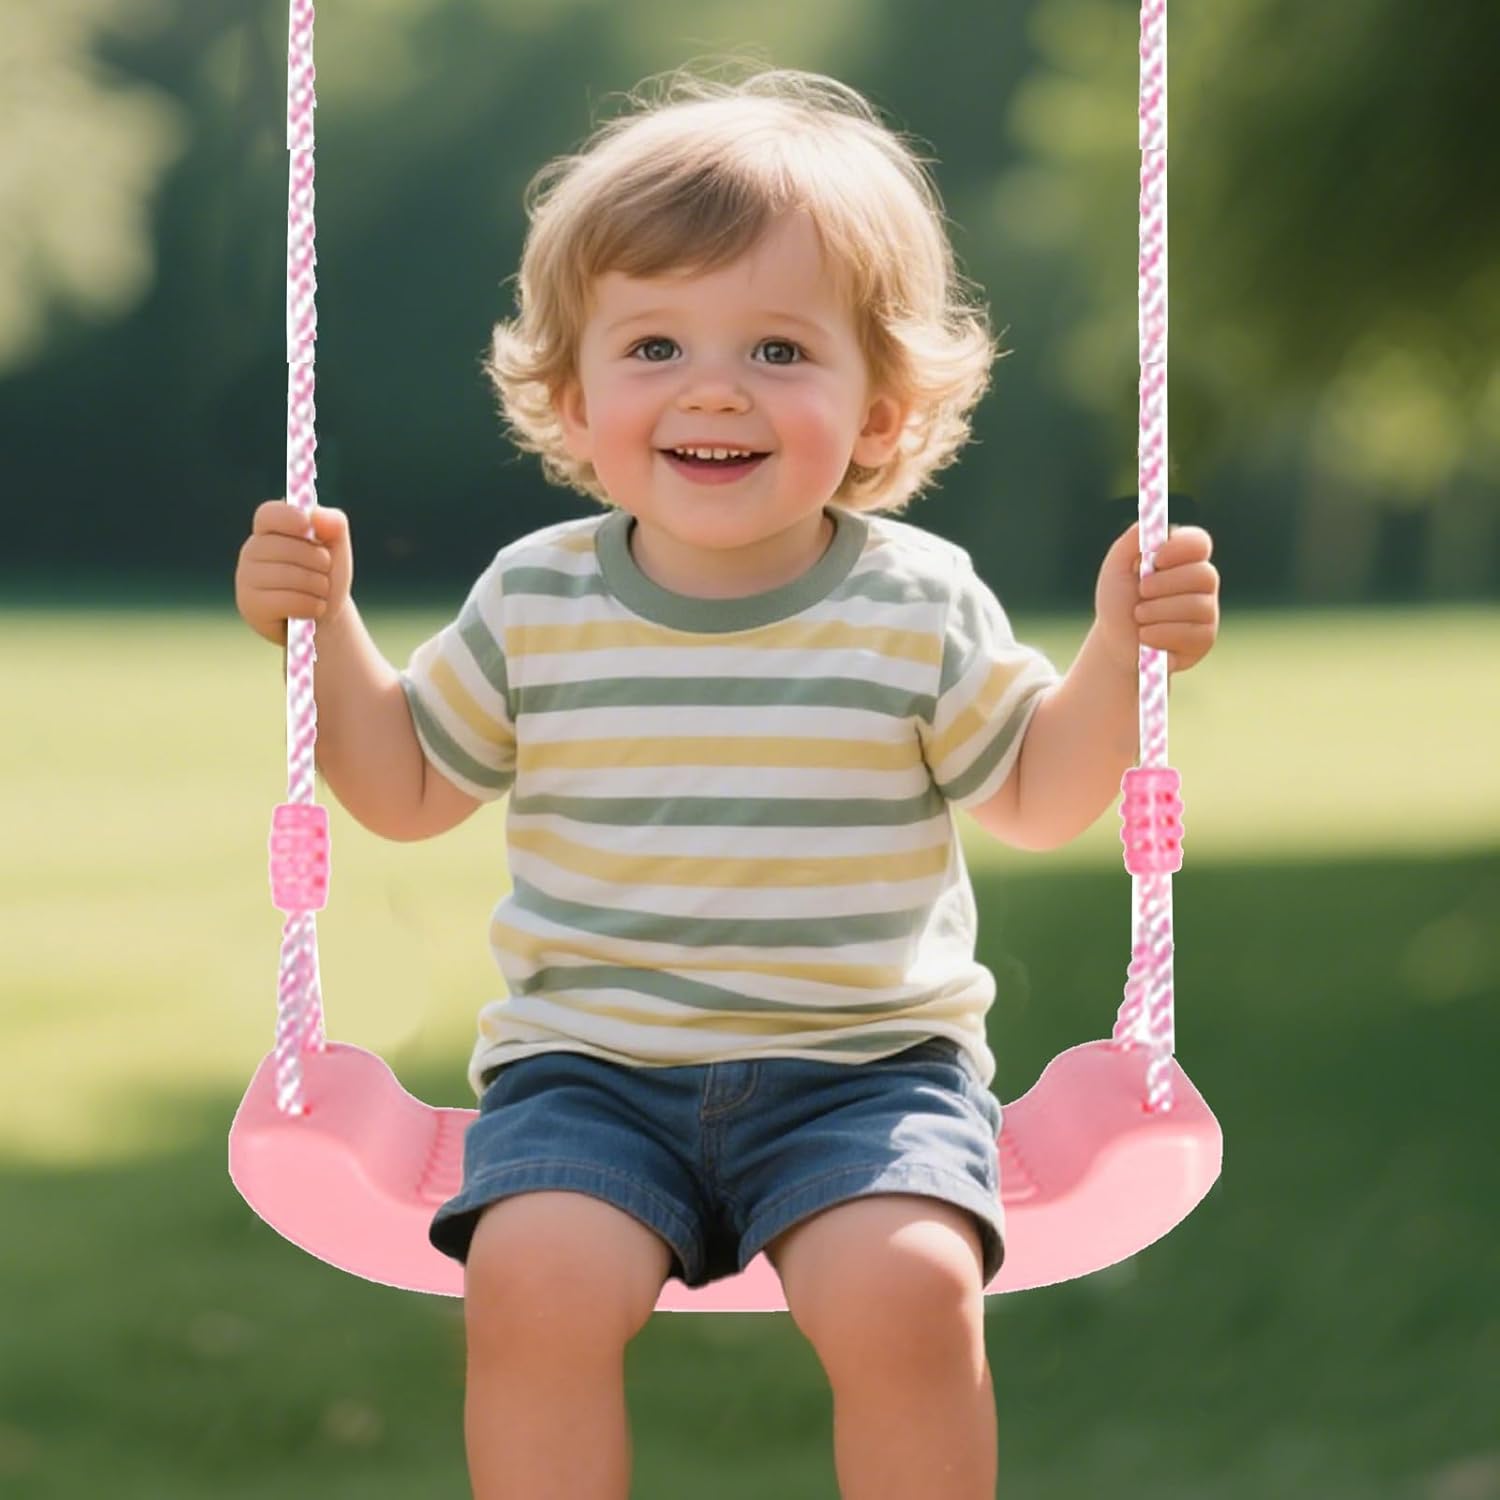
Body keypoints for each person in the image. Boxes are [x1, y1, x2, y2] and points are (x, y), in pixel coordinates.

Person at [235, 62, 1219, 1500]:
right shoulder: (536, 598)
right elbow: (403, 787)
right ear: (572, 397)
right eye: (653, 346)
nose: (712, 387)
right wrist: (321, 633)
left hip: (869, 1079)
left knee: (910, 1286)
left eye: (777, 348)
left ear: (879, 411)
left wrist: (1122, 651)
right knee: (531, 1277)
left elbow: (1036, 792)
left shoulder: (916, 602)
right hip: (586, 1078)